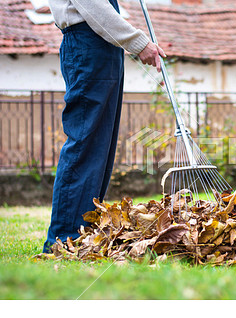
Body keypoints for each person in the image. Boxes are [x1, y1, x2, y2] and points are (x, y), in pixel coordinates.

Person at [43, 0, 166, 252]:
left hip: (103, 46)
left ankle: (84, 234)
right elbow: (93, 5)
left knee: (101, 146)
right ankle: (64, 238)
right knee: (85, 143)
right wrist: (139, 43)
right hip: (87, 42)